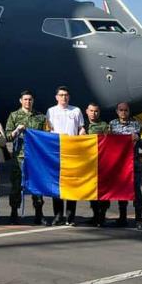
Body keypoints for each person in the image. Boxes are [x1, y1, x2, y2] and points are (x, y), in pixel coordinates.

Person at [5, 90, 48, 225]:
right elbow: (7, 136)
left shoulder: (40, 117)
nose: (27, 102)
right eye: (25, 99)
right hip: (19, 157)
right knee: (16, 186)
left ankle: (39, 213)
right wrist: (16, 130)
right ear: (20, 100)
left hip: (35, 158)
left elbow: (46, 135)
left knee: (37, 186)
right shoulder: (14, 116)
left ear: (33, 101)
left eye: (30, 99)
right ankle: (14, 212)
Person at [46, 86, 85, 226]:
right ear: (56, 97)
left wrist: (82, 134)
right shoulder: (51, 111)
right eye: (61, 95)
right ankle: (57, 215)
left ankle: (70, 216)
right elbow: (48, 131)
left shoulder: (76, 110)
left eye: (66, 95)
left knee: (71, 186)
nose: (64, 97)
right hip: (57, 153)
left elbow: (81, 128)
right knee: (57, 185)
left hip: (73, 153)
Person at [109, 101, 142, 230]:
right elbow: (109, 141)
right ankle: (122, 217)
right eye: (121, 110)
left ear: (129, 111)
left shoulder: (137, 125)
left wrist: (137, 138)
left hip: (133, 163)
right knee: (122, 190)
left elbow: (141, 142)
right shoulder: (112, 125)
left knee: (136, 191)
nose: (123, 112)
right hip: (120, 164)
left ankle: (139, 219)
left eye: (126, 110)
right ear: (117, 111)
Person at [84, 103, 109, 227]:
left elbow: (109, 142)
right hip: (87, 163)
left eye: (96, 111)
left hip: (101, 162)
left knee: (103, 191)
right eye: (91, 111)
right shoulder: (83, 125)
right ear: (87, 111)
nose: (94, 113)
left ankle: (102, 215)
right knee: (91, 191)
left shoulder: (104, 126)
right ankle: (95, 215)